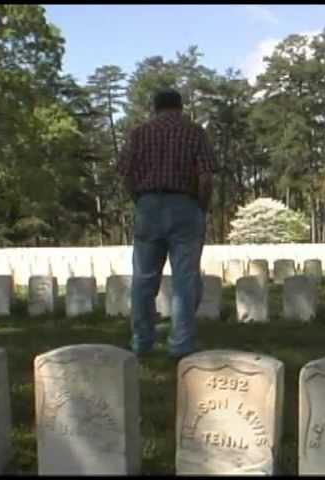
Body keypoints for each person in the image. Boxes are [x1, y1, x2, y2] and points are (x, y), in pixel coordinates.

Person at [118, 89, 215, 359]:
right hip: (185, 204)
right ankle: (181, 345)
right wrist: (202, 206)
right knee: (185, 279)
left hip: (147, 205)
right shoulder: (194, 132)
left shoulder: (139, 133)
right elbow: (206, 176)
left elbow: (125, 174)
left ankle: (141, 342)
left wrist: (139, 200)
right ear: (180, 107)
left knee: (144, 280)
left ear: (154, 107)